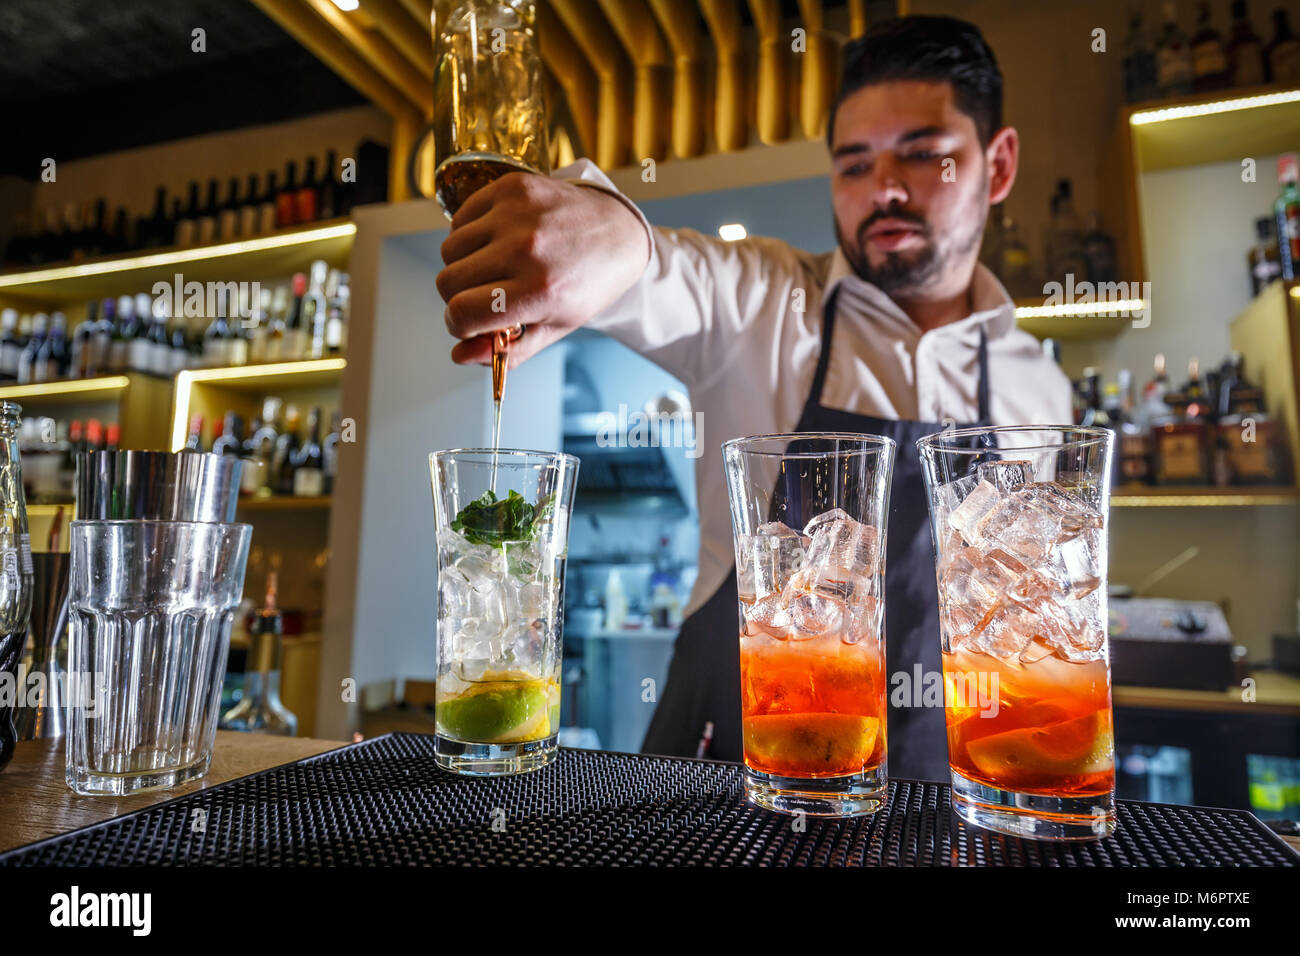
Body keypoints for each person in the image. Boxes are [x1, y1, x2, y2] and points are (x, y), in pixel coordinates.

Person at [435, 16, 1071, 781]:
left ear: (997, 166)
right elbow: (667, 269)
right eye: (854, 165)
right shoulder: (768, 302)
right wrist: (607, 232)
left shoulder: (1042, 385)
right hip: (731, 772)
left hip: (958, 784)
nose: (885, 191)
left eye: (923, 156)